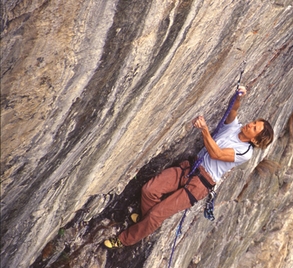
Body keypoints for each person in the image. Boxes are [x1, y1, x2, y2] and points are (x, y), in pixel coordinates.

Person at [104, 86, 274, 248]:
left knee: (157, 215)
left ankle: (124, 240)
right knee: (149, 190)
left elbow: (217, 154)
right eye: (253, 122)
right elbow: (233, 110)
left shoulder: (245, 152)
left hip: (201, 184)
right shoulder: (235, 127)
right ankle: (144, 222)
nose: (250, 124)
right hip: (190, 168)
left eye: (254, 128)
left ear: (255, 140)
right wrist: (239, 96)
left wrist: (205, 130)